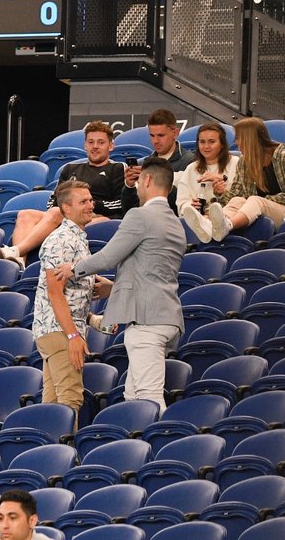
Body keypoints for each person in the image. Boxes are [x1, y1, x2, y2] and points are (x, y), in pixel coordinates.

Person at [55, 159, 186, 410]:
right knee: (133, 395)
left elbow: (108, 257)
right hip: (167, 315)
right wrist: (113, 287)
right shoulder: (175, 222)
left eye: (138, 182)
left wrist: (73, 269)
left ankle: (158, 446)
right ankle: (139, 444)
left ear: (146, 180)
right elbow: (151, 273)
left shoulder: (139, 215)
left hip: (147, 320)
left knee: (148, 397)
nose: (136, 187)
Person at [31, 181, 113, 426]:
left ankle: (48, 455)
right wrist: (72, 336)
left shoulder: (76, 238)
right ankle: (64, 458)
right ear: (66, 208)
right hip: (60, 331)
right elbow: (55, 293)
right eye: (83, 201)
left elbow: (67, 293)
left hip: (58, 329)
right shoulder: (61, 240)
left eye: (90, 200)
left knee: (53, 401)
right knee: (70, 400)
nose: (91, 205)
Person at [0, 121, 126, 269]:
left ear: (111, 146)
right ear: (85, 145)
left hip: (99, 217)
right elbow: (53, 200)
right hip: (66, 215)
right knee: (26, 214)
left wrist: (91, 206)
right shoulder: (70, 168)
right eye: (91, 142)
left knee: (57, 211)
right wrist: (68, 211)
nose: (95, 146)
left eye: (101, 142)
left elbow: (122, 203)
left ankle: (16, 250)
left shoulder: (118, 168)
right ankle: (19, 262)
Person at [190, 116, 285, 241]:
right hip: (258, 210)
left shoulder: (284, 158)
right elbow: (237, 195)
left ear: (249, 139)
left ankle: (228, 225)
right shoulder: (244, 162)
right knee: (237, 200)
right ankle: (208, 224)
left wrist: (266, 200)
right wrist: (221, 193)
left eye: (238, 138)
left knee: (256, 200)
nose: (236, 143)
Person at [120, 109, 196, 213]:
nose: (155, 141)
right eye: (152, 135)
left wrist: (156, 180)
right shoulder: (143, 164)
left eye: (161, 135)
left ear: (175, 133)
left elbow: (188, 204)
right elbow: (129, 210)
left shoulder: (191, 163)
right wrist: (129, 186)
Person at [177, 122, 239, 241]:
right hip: (198, 223)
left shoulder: (235, 163)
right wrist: (190, 206)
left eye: (212, 142)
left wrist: (222, 187)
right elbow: (181, 202)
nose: (206, 147)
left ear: (222, 144)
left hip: (229, 220)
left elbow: (242, 196)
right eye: (202, 142)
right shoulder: (191, 168)